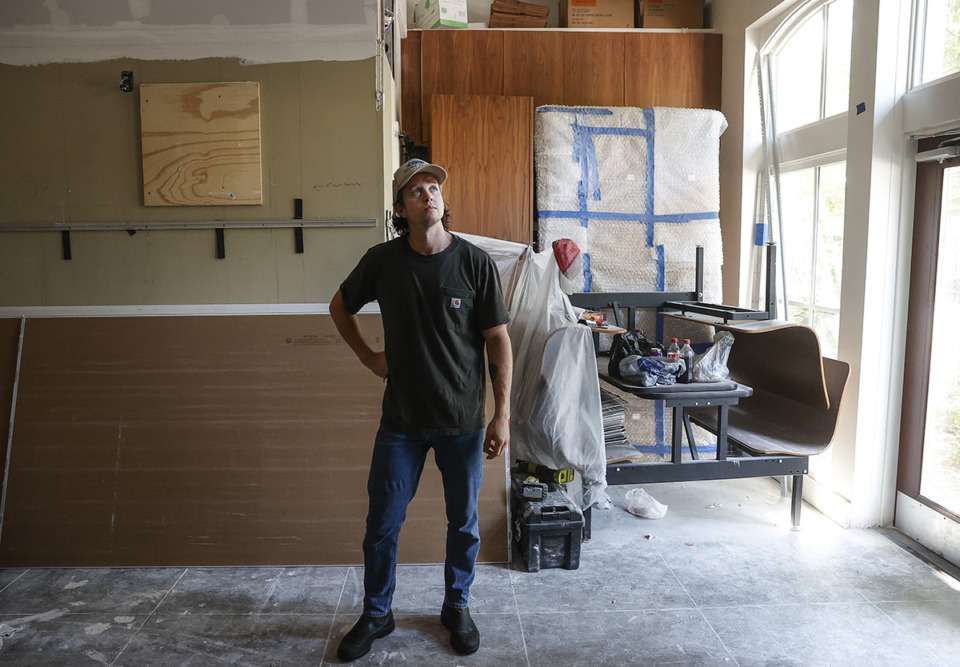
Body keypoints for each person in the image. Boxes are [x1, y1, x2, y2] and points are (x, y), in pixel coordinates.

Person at [329, 158, 513, 661]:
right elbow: (340, 305)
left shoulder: (474, 262)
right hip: (402, 422)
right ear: (401, 207)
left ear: (442, 201)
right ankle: (376, 613)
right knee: (383, 523)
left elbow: (498, 340)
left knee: (464, 523)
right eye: (415, 190)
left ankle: (457, 606)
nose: (428, 195)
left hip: (462, 422)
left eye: (433, 188)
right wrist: (369, 357)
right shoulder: (382, 262)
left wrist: (503, 414)